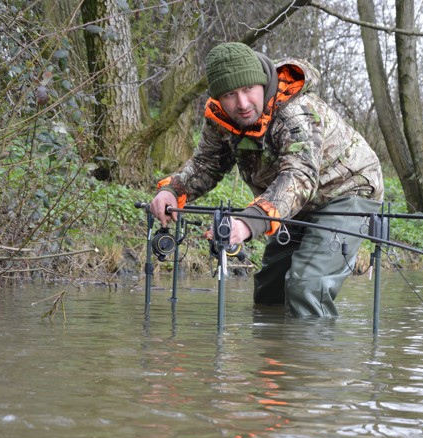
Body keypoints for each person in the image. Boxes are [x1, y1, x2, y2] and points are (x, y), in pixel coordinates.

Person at [149, 42, 384, 317]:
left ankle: (312, 358)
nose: (242, 103)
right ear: (217, 98)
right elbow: (207, 163)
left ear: (261, 84)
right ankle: (273, 356)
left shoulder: (296, 113)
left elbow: (299, 176)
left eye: (248, 90)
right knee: (269, 291)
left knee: (306, 286)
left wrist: (250, 222)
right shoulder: (220, 118)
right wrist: (173, 190)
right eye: (229, 94)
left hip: (347, 190)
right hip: (292, 202)